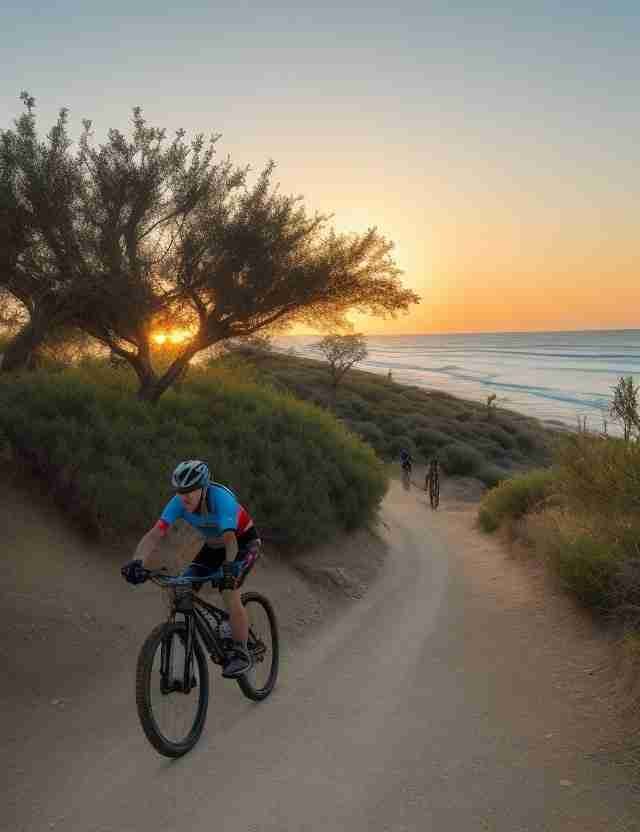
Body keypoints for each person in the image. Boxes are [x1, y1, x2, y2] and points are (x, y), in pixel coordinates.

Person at [121, 460, 261, 679]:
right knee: (180, 588)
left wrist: (230, 568)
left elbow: (230, 541)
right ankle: (184, 648)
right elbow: (155, 534)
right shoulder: (178, 502)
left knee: (228, 589)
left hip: (242, 544)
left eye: (190, 490)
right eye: (180, 491)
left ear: (204, 488)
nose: (184, 496)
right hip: (213, 547)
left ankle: (242, 652)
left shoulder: (221, 499)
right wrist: (137, 561)